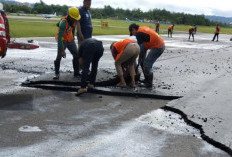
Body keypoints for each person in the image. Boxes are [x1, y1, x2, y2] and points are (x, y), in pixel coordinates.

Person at [129, 23, 165, 87]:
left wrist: (139, 59)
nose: (133, 34)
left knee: (147, 64)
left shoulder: (139, 34)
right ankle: (146, 79)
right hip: (159, 44)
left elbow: (141, 50)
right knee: (143, 62)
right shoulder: (142, 29)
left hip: (158, 47)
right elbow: (144, 46)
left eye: (132, 32)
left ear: (133, 29)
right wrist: (141, 60)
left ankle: (149, 83)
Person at [53, 7, 81, 80]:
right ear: (69, 16)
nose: (75, 19)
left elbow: (73, 27)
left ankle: (76, 73)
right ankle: (56, 73)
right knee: (59, 57)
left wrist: (73, 35)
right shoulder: (63, 23)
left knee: (76, 55)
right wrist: (62, 50)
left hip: (70, 39)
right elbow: (59, 38)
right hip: (62, 40)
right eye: (74, 18)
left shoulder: (74, 21)